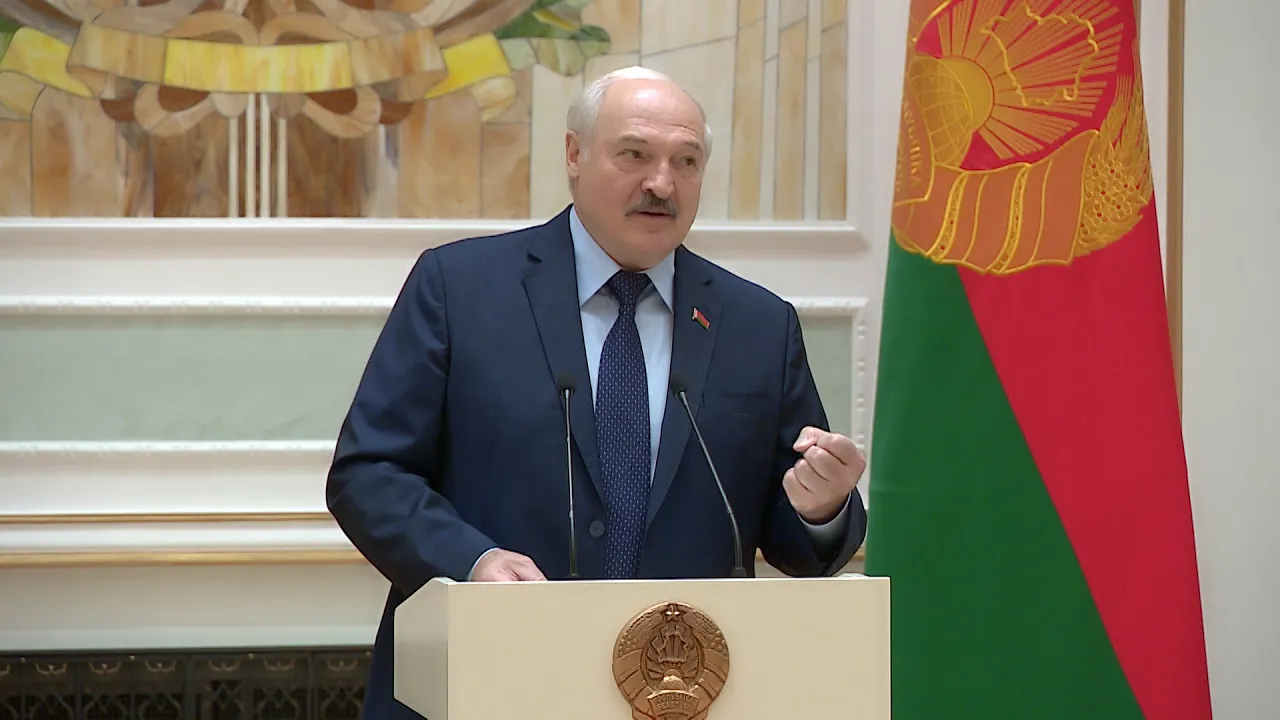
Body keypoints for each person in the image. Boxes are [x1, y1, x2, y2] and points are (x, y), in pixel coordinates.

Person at [326, 66, 868, 719]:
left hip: (680, 693)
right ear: (574, 155)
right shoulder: (459, 288)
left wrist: (821, 508)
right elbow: (369, 473)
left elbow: (794, 540)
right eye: (635, 154)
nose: (661, 183)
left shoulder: (758, 324)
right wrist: (472, 561)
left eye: (686, 161)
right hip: (487, 678)